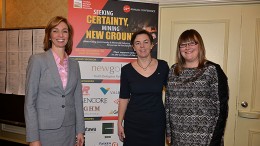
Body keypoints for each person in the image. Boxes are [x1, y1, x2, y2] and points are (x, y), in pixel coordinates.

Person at [24, 16, 85, 146]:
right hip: (44, 131)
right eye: (55, 30)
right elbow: (30, 102)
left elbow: (77, 100)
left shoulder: (75, 65)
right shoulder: (37, 61)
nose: (60, 35)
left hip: (69, 130)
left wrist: (80, 130)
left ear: (69, 35)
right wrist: (33, 138)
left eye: (65, 31)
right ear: (49, 36)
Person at [165, 29, 229, 146]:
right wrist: (168, 132)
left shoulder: (212, 70)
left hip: (206, 138)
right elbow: (168, 104)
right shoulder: (173, 71)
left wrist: (215, 139)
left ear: (200, 45)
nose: (187, 47)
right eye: (183, 44)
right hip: (178, 137)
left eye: (192, 43)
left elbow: (222, 109)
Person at [117, 30, 169, 146]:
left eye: (146, 42)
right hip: (133, 125)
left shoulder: (163, 66)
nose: (142, 46)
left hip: (156, 124)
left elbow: (172, 94)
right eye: (137, 43)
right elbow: (124, 98)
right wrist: (120, 123)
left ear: (151, 45)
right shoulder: (126, 70)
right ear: (133, 47)